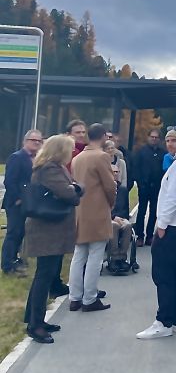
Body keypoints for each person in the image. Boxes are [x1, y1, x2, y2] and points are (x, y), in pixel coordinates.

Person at [137, 128, 176, 339]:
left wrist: (161, 225)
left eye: (174, 141)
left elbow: (172, 196)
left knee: (163, 274)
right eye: (168, 140)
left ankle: (163, 321)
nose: (170, 144)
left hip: (173, 226)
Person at [22, 135, 83, 344]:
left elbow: (69, 192)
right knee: (44, 276)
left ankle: (34, 318)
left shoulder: (53, 167)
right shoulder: (50, 169)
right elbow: (69, 194)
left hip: (51, 229)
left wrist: (73, 190)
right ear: (60, 150)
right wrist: (76, 189)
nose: (72, 152)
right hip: (46, 230)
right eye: (70, 149)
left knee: (45, 275)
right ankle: (35, 324)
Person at [69, 123, 116, 313]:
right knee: (96, 256)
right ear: (104, 136)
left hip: (80, 211)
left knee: (79, 255)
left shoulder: (77, 158)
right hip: (97, 210)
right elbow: (110, 185)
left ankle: (75, 297)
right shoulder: (102, 156)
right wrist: (111, 203)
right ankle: (89, 298)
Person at [2, 130, 43, 276]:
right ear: (25, 141)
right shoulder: (17, 157)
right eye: (33, 140)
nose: (36, 143)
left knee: (22, 233)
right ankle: (7, 264)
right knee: (14, 233)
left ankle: (16, 259)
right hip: (16, 202)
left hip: (30, 202)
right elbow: (10, 181)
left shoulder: (38, 158)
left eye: (39, 141)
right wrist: (18, 198)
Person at [133, 128, 166, 246]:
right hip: (144, 186)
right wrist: (140, 182)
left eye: (156, 137)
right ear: (148, 138)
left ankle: (150, 236)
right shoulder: (141, 151)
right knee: (141, 211)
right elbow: (136, 167)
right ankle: (139, 236)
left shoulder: (163, 152)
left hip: (157, 187)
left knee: (154, 212)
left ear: (159, 139)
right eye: (152, 137)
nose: (154, 139)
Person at [106, 164, 133, 275]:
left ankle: (122, 257)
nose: (116, 174)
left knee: (127, 225)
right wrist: (113, 217)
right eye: (113, 172)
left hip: (121, 217)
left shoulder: (122, 189)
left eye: (117, 172)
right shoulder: (105, 189)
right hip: (109, 218)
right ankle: (114, 258)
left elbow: (126, 208)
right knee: (114, 225)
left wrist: (123, 218)